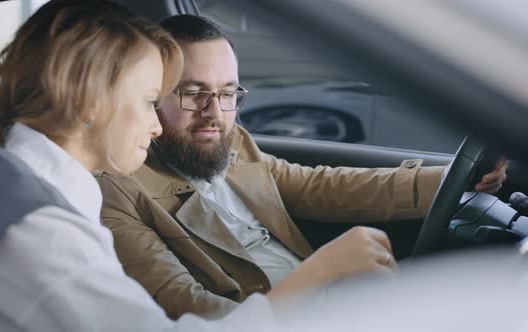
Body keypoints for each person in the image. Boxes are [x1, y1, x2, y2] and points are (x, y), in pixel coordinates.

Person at [0, 1, 339, 331]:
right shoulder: (46, 237)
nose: (155, 124)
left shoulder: (2, 177)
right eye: (150, 101)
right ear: (91, 101)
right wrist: (314, 279)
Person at [95, 14, 508, 319]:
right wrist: (323, 271)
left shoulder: (232, 141)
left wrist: (454, 179)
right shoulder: (118, 193)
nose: (214, 113)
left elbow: (321, 187)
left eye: (227, 94)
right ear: (150, 96)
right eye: (192, 93)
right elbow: (192, 311)